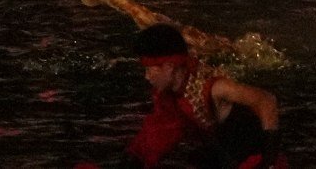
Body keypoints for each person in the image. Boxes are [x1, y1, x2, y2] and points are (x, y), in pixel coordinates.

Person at [121, 21, 287, 166]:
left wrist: (269, 162)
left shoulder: (216, 88)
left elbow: (267, 101)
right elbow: (157, 134)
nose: (147, 77)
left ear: (169, 67)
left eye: (150, 70)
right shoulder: (172, 96)